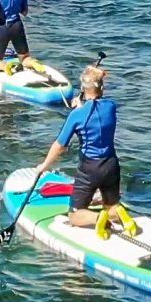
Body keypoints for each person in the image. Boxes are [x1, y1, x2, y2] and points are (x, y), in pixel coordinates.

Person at [35, 63, 138, 239]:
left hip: (90, 169)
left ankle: (98, 218)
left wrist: (44, 166)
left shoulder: (76, 115)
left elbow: (60, 145)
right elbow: (96, 107)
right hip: (111, 165)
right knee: (111, 206)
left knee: (74, 216)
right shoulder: (111, 106)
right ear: (102, 88)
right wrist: (95, 81)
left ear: (83, 89)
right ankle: (117, 211)